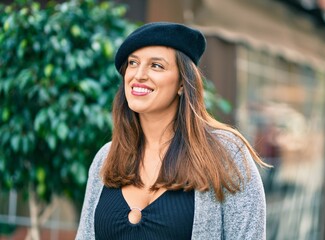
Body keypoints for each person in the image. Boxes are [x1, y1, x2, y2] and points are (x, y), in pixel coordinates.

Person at [76, 22, 267, 240]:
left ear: (182, 84)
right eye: (133, 63)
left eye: (156, 66)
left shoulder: (227, 155)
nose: (138, 75)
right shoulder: (106, 158)